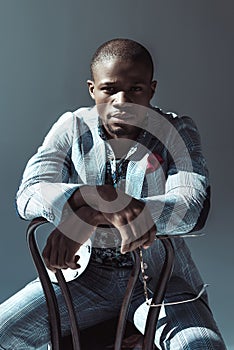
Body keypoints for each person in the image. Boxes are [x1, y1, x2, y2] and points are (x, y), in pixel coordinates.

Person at [0, 38, 226, 349]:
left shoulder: (177, 131)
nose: (122, 100)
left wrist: (88, 215)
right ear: (93, 89)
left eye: (135, 89)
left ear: (151, 89)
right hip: (84, 280)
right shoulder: (72, 127)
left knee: (202, 345)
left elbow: (191, 209)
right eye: (109, 89)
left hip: (159, 284)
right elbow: (29, 193)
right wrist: (98, 196)